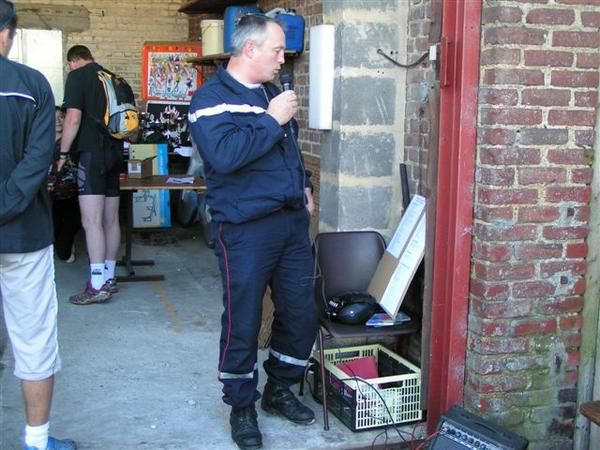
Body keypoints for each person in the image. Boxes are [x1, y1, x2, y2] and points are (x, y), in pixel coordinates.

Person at [188, 14, 318, 450]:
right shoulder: (211, 98)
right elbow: (224, 157)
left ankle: (279, 389)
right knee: (243, 320)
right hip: (244, 228)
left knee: (301, 312)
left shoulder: (270, 92)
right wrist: (271, 119)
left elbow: (288, 150)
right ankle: (241, 406)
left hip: (290, 222)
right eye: (277, 50)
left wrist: (304, 186)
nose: (283, 58)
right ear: (249, 51)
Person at [0, 2, 77, 449]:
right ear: (7, 34)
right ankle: (36, 440)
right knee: (33, 338)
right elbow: (37, 160)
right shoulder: (32, 85)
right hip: (24, 234)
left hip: (22, 230)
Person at [57, 45, 122, 305]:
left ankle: (96, 284)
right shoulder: (115, 79)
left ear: (73, 61)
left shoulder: (77, 76)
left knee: (91, 221)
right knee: (111, 219)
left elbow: (72, 119)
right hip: (116, 154)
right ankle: (109, 276)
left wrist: (62, 155)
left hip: (91, 155)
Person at [51, 106, 81, 263]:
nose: (57, 121)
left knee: (64, 252)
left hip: (72, 195)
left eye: (61, 117)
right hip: (49, 196)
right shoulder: (40, 142)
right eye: (53, 117)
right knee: (54, 231)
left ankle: (67, 243)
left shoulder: (74, 142)